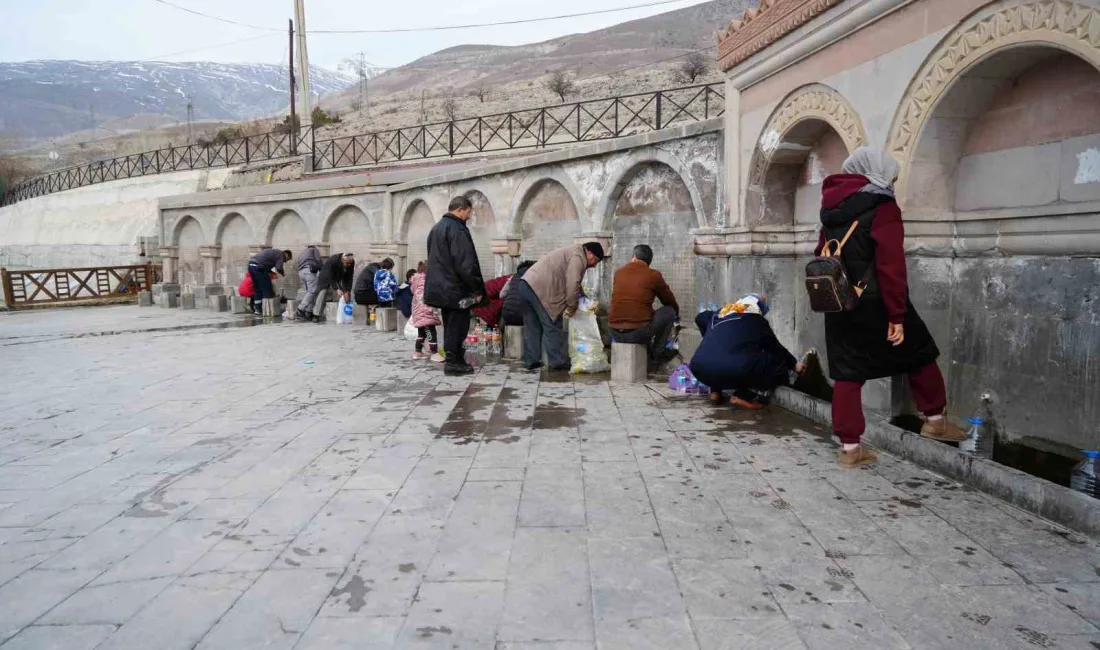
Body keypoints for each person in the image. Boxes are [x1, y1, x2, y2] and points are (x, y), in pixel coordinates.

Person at [816, 147, 965, 470]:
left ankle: (850, 449)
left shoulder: (830, 208)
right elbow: (891, 265)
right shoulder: (882, 206)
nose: (893, 182)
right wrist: (896, 315)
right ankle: (935, 420)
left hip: (840, 302)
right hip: (878, 302)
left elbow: (822, 252)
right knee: (919, 351)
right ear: (877, 173)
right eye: (892, 176)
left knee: (847, 372)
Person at [690, 295, 810, 409]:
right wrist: (794, 364)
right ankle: (747, 397)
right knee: (777, 361)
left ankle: (715, 393)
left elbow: (699, 318)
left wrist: (709, 336)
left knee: (718, 356)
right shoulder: (756, 320)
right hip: (734, 369)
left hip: (699, 369)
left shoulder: (716, 315)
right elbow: (775, 347)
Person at [517, 242, 605, 371]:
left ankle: (531, 360)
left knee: (532, 326)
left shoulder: (573, 252)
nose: (594, 265)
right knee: (552, 325)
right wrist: (572, 307)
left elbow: (575, 284)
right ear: (589, 253)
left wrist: (584, 299)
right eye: (595, 260)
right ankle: (556, 363)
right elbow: (572, 284)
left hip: (526, 284)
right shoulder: (578, 258)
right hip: (540, 289)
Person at [424, 195, 486, 376]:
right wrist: (476, 289)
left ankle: (455, 360)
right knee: (458, 327)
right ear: (460, 209)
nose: (469, 216)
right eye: (468, 212)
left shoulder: (436, 229)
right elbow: (465, 263)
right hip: (456, 290)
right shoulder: (457, 230)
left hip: (442, 288)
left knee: (450, 326)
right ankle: (453, 363)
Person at [609, 244, 680, 368]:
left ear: (634, 257)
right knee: (669, 311)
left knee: (644, 317)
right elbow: (668, 301)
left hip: (614, 331)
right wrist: (677, 313)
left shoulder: (619, 273)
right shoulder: (653, 275)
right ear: (648, 262)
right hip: (637, 333)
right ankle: (658, 353)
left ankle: (650, 350)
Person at [410, 262, 443, 361]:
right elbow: (426, 297)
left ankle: (417, 352)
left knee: (421, 333)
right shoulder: (425, 281)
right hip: (425, 312)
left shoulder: (417, 281)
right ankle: (434, 353)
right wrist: (431, 310)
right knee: (431, 332)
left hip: (419, 312)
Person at [311, 252, 355, 322]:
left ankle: (343, 314)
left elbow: (349, 277)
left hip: (340, 274)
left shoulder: (351, 262)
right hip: (326, 275)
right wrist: (336, 289)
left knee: (345, 293)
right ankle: (316, 315)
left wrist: (347, 290)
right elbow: (330, 276)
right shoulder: (333, 260)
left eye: (350, 263)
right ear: (342, 260)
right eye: (347, 263)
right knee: (323, 292)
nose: (349, 265)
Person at [247, 248, 291, 314]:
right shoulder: (281, 254)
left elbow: (265, 262)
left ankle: (258, 309)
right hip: (259, 267)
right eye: (288, 259)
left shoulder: (274, 252)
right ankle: (268, 310)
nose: (285, 261)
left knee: (257, 289)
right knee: (267, 288)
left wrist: (270, 272)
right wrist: (282, 273)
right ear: (287, 255)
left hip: (251, 265)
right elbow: (279, 267)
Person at [500, 260, 536, 327]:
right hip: (524, 316)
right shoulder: (534, 277)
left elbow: (501, 295)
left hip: (507, 315)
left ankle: (500, 335)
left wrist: (510, 299)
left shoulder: (513, 277)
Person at [296, 245, 323, 320]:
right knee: (312, 291)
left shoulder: (302, 253)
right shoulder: (314, 250)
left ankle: (309, 311)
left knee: (309, 292)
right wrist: (322, 269)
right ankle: (300, 309)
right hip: (309, 271)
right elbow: (318, 260)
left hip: (301, 272)